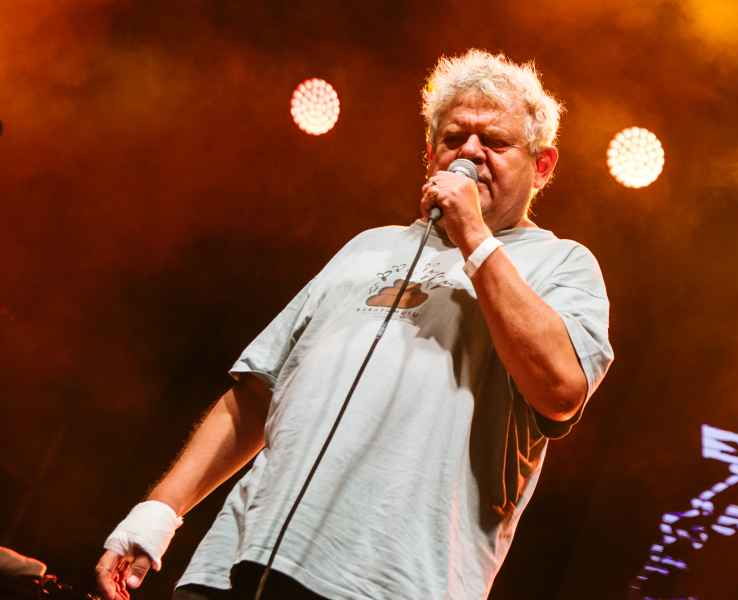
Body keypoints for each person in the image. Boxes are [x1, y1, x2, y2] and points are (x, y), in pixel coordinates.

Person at [95, 49, 614, 600]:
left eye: (495, 141)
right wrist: (159, 510)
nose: (469, 152)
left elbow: (561, 389)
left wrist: (475, 240)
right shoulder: (368, 248)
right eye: (453, 137)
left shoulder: (562, 264)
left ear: (542, 165)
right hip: (239, 561)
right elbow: (256, 395)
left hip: (386, 584)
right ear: (430, 155)